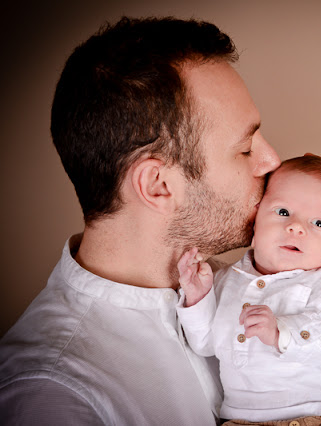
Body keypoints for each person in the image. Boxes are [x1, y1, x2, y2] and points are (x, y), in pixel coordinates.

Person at [0, 17, 280, 424]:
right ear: (158, 186)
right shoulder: (52, 395)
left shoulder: (246, 285)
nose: (271, 160)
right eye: (245, 148)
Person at [176, 156, 321, 424]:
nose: (296, 227)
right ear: (255, 222)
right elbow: (205, 344)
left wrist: (280, 332)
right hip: (242, 419)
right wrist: (197, 298)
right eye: (284, 212)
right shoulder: (225, 279)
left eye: (319, 223)